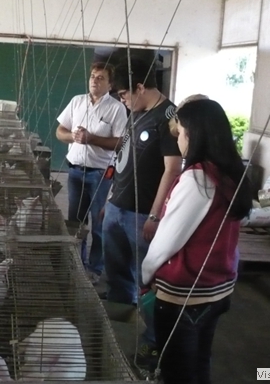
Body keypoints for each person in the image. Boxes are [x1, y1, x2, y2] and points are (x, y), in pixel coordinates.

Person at [141, 99, 251, 384]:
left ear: (193, 133)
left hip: (185, 294)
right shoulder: (230, 172)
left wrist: (146, 274)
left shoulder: (197, 178)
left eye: (179, 132)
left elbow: (168, 238)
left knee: (177, 370)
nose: (178, 139)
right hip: (218, 288)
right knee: (200, 363)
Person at [102, 59, 182, 373]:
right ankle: (120, 316)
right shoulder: (135, 114)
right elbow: (121, 158)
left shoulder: (168, 117)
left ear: (139, 87)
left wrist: (155, 214)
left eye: (123, 94)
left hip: (141, 214)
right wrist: (109, 199)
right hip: (118, 206)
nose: (122, 100)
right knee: (116, 267)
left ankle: (152, 339)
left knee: (147, 279)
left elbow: (172, 169)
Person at [56, 62, 127, 283]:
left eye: (101, 78)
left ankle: (95, 269)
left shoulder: (116, 108)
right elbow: (60, 131)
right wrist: (73, 137)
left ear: (110, 85)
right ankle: (77, 264)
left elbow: (121, 142)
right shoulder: (77, 101)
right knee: (75, 223)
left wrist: (91, 139)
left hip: (100, 174)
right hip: (75, 172)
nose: (94, 81)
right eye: (93, 76)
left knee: (98, 223)